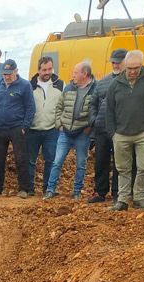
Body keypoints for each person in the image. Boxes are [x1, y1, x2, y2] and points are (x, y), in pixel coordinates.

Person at [107, 50, 144, 210]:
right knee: (123, 169)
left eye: (136, 68)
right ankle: (123, 200)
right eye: (129, 68)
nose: (132, 72)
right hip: (121, 134)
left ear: (142, 66)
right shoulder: (115, 84)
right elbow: (109, 110)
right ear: (125, 66)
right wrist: (113, 133)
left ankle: (138, 197)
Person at [44, 61, 96, 200]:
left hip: (82, 133)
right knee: (57, 162)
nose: (72, 75)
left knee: (81, 164)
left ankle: (77, 191)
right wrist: (59, 125)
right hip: (65, 132)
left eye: (75, 72)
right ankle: (50, 190)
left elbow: (95, 110)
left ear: (84, 74)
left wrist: (89, 128)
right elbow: (59, 107)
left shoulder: (94, 90)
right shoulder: (68, 88)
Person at [0, 59, 34, 197]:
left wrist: (25, 126)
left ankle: (23, 189)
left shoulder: (25, 85)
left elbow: (30, 107)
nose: (7, 77)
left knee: (21, 158)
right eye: (4, 74)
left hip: (16, 127)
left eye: (9, 74)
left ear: (16, 72)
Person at [88, 49, 126, 203]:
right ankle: (100, 192)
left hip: (120, 129)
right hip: (102, 129)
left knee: (120, 163)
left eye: (118, 61)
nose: (115, 64)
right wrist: (94, 119)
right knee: (101, 161)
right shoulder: (103, 81)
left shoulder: (129, 82)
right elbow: (93, 103)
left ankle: (117, 193)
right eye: (113, 61)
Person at [27, 56, 64, 194]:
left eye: (49, 69)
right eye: (44, 70)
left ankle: (48, 189)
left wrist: (59, 124)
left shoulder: (60, 84)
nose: (47, 72)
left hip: (51, 130)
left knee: (51, 160)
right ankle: (30, 188)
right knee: (30, 160)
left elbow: (62, 106)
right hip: (33, 129)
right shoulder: (29, 85)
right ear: (38, 70)